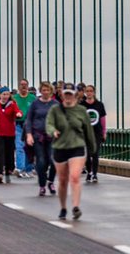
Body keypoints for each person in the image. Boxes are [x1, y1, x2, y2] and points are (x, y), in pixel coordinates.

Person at [47, 83, 96, 221]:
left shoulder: (81, 111)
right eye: (65, 93)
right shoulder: (55, 110)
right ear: (62, 94)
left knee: (74, 177)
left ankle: (75, 207)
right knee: (62, 180)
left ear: (75, 95)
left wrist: (92, 149)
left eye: (70, 93)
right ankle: (63, 207)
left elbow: (88, 131)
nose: (68, 96)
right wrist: (53, 131)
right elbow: (49, 124)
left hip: (77, 147)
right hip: (60, 147)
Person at [25, 80, 58, 196]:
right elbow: (28, 120)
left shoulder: (55, 104)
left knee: (53, 160)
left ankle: (51, 181)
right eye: (43, 90)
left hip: (51, 136)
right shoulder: (35, 104)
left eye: (47, 90)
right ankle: (42, 185)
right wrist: (29, 135)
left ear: (51, 91)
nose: (45, 92)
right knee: (41, 161)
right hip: (37, 136)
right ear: (40, 91)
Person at [0, 87, 21, 184]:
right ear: (0, 95)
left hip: (10, 132)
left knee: (9, 153)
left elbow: (18, 111)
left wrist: (18, 114)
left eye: (7, 94)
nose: (5, 96)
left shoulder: (12, 105)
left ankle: (9, 170)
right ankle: (0, 173)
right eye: (3, 94)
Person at [82, 84, 107, 183]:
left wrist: (104, 132)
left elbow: (102, 119)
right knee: (87, 154)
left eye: (90, 91)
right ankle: (89, 172)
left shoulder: (99, 105)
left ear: (94, 92)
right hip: (85, 132)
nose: (89, 93)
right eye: (87, 91)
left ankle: (95, 174)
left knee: (95, 153)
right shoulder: (82, 105)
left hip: (97, 132)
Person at [13, 78, 33, 177]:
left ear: (28, 86)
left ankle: (29, 169)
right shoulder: (14, 98)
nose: (24, 86)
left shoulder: (33, 98)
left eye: (25, 84)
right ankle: (20, 168)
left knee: (29, 146)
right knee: (19, 146)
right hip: (18, 125)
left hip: (30, 125)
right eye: (22, 84)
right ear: (19, 86)